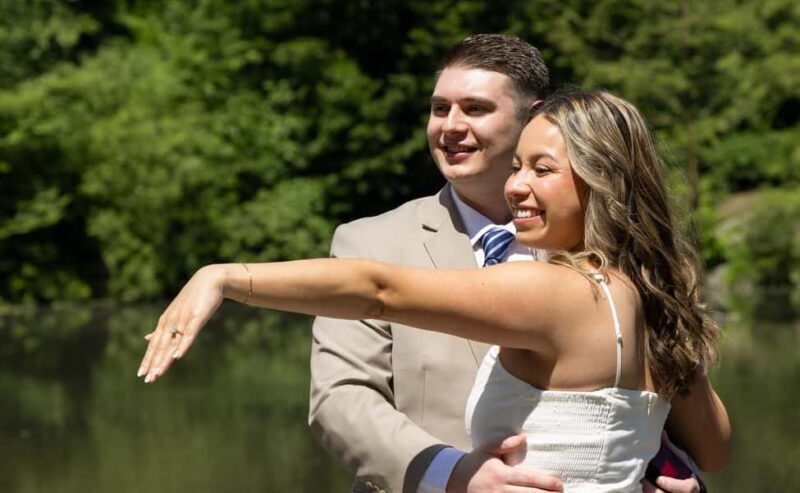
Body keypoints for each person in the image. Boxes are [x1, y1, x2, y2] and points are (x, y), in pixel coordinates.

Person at [138, 90, 731, 492]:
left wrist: (226, 276)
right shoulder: (654, 299)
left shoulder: (556, 291)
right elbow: (714, 448)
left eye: (542, 170)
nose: (518, 186)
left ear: (604, 180)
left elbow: (378, 289)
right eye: (518, 166)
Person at [308, 34, 705, 493]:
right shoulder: (368, 241)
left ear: (532, 116)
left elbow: (663, 410)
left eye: (475, 109)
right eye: (439, 109)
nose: (450, 126)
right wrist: (451, 474)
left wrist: (663, 472)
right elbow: (340, 398)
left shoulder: (617, 257)